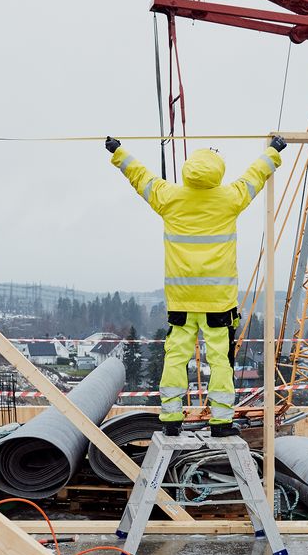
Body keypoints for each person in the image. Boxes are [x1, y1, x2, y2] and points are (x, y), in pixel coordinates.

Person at [105, 135, 287, 436]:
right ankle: (220, 421)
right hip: (218, 300)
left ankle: (172, 419)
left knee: (176, 357)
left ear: (188, 170)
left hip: (182, 300)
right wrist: (274, 151)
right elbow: (256, 174)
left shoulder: (169, 197)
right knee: (220, 361)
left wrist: (118, 151)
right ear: (219, 171)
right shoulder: (230, 198)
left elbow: (140, 176)